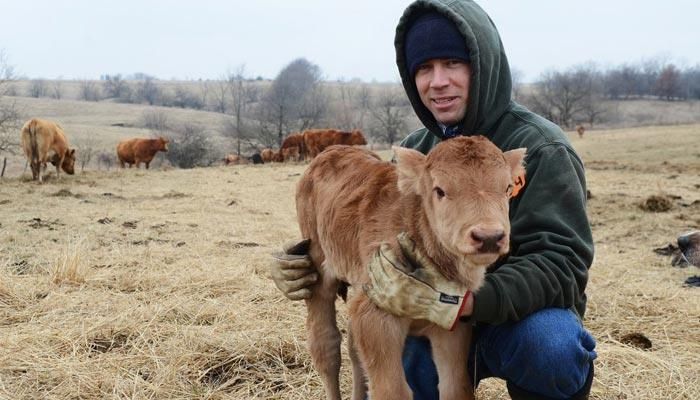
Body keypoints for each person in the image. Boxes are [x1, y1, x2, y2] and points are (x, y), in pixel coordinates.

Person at [271, 0, 596, 399]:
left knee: (551, 348)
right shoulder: (416, 152)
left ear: (483, 65)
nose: (437, 81)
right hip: (431, 322)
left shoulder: (540, 147)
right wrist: (312, 266)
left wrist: (460, 303)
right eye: (424, 69)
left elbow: (562, 266)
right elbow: (380, 261)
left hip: (515, 321)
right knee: (393, 358)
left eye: (452, 64)